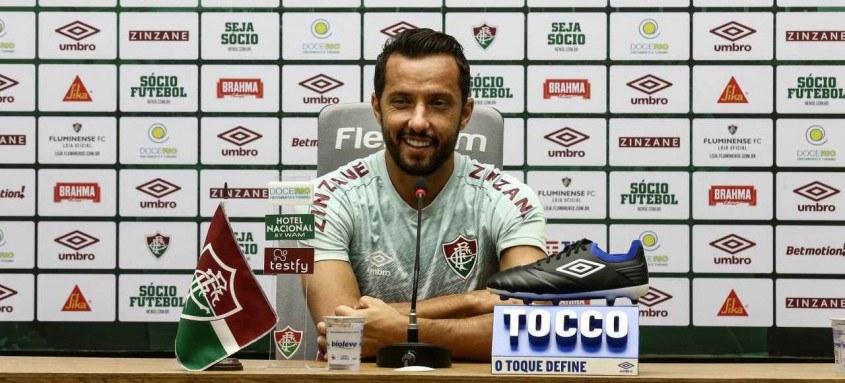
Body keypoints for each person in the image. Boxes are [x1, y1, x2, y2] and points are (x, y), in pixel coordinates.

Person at [301, 28, 547, 361]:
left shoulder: (510, 199)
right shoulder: (323, 199)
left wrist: (399, 330)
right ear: (377, 107)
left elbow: (531, 325)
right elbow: (343, 334)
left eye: (438, 104)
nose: (418, 122)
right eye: (401, 101)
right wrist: (474, 301)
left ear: (465, 113)